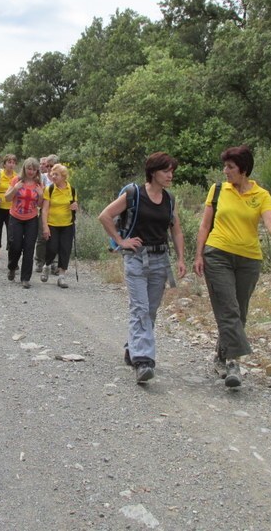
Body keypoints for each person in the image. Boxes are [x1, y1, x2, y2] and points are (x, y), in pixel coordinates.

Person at [193, 145, 271, 388]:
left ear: (243, 169)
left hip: (249, 260)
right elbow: (204, 225)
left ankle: (221, 356)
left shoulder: (261, 195)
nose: (225, 171)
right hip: (218, 255)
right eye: (225, 166)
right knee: (229, 308)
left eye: (230, 167)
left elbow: (270, 219)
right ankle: (234, 363)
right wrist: (198, 255)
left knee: (239, 311)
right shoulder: (217, 190)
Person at [98, 152, 187, 384]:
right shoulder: (133, 194)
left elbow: (175, 230)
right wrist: (121, 241)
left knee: (151, 310)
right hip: (136, 257)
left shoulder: (169, 199)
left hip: (160, 260)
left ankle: (133, 348)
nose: (170, 175)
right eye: (166, 171)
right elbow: (105, 216)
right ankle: (144, 361)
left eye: (172, 171)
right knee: (140, 307)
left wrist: (180, 259)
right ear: (153, 172)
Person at [5, 157, 44, 288]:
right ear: (24, 168)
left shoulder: (39, 183)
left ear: (37, 170)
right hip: (15, 217)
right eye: (29, 168)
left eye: (34, 169)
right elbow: (7, 198)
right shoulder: (16, 180)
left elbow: (40, 205)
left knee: (29, 248)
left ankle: (25, 278)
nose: (31, 171)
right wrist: (15, 189)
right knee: (15, 245)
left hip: (31, 219)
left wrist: (41, 195)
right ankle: (12, 266)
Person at [40, 163, 77, 288]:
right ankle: (47, 265)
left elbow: (74, 205)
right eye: (52, 174)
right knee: (52, 248)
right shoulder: (49, 189)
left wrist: (75, 207)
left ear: (63, 176)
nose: (53, 176)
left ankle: (61, 276)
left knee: (65, 250)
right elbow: (44, 210)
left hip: (67, 224)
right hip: (52, 224)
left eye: (56, 174)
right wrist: (45, 226)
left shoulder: (71, 189)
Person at [35, 154, 59, 273]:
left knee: (55, 238)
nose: (49, 168)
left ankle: (54, 263)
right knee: (42, 237)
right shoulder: (43, 177)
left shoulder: (61, 178)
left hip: (57, 212)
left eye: (51, 166)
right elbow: (39, 194)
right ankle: (39, 261)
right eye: (47, 166)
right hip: (44, 210)